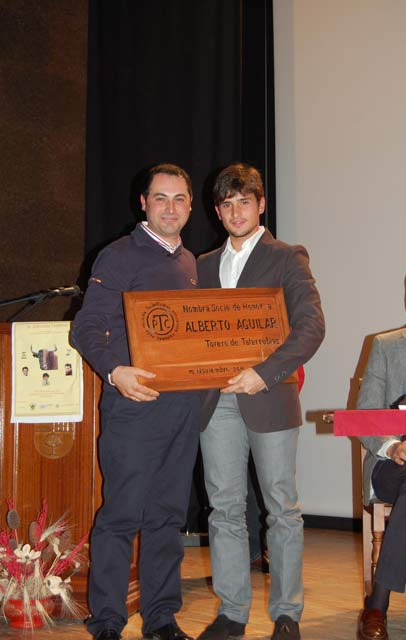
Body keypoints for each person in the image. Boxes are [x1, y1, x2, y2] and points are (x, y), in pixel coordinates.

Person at [71, 163, 201, 640]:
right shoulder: (119, 256)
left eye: (179, 199)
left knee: (168, 516)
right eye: (161, 198)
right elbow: (86, 327)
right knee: (122, 514)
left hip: (180, 410)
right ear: (143, 203)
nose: (170, 207)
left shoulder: (190, 264)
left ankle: (162, 617)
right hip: (132, 406)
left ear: (190, 206)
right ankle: (106, 620)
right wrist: (114, 371)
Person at [196, 163, 325, 640]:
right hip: (216, 401)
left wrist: (262, 374)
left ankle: (287, 613)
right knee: (224, 508)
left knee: (281, 508)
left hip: (269, 395)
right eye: (226, 205)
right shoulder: (203, 265)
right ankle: (232, 612)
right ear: (217, 210)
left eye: (244, 202)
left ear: (261, 204)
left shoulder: (288, 257)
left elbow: (311, 327)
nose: (235, 211)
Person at [356, 263, 406, 640]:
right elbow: (366, 416)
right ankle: (378, 606)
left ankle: (375, 603)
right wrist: (393, 445)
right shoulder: (386, 346)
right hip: (395, 459)